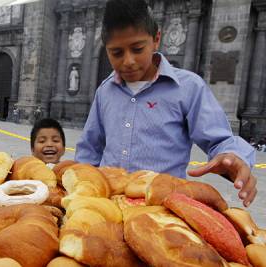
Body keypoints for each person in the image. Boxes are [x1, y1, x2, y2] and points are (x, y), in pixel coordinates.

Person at [75, 0, 257, 207]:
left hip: (162, 208)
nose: (128, 61)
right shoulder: (105, 91)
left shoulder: (188, 88)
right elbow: (89, 149)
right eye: (116, 53)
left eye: (137, 49)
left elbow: (219, 140)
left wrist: (233, 157)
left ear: (156, 39)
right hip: (108, 205)